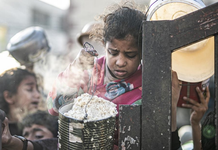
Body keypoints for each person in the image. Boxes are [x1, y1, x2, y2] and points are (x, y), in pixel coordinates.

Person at [46, 1, 182, 149]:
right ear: (105, 45)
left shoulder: (147, 84)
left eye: (130, 55)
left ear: (143, 51)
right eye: (113, 52)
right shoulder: (88, 71)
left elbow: (160, 140)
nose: (120, 62)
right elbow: (53, 108)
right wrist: (74, 70)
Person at [0, 67, 41, 135]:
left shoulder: (41, 125)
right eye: (30, 89)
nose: (37, 95)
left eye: (37, 89)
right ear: (9, 97)